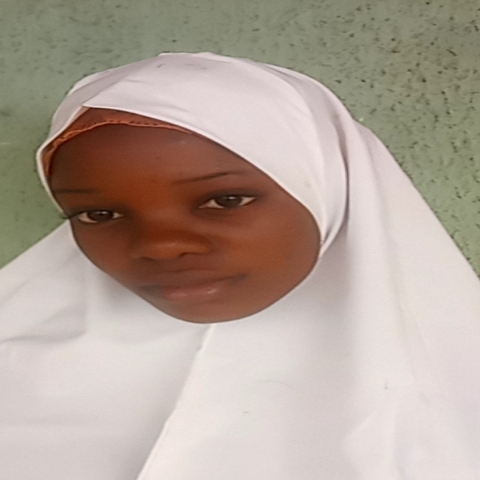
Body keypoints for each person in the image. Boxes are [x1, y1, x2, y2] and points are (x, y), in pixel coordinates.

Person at [0, 52, 479, 480]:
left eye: (225, 200)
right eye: (98, 214)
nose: (161, 247)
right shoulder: (16, 369)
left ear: (327, 186)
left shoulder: (456, 402)